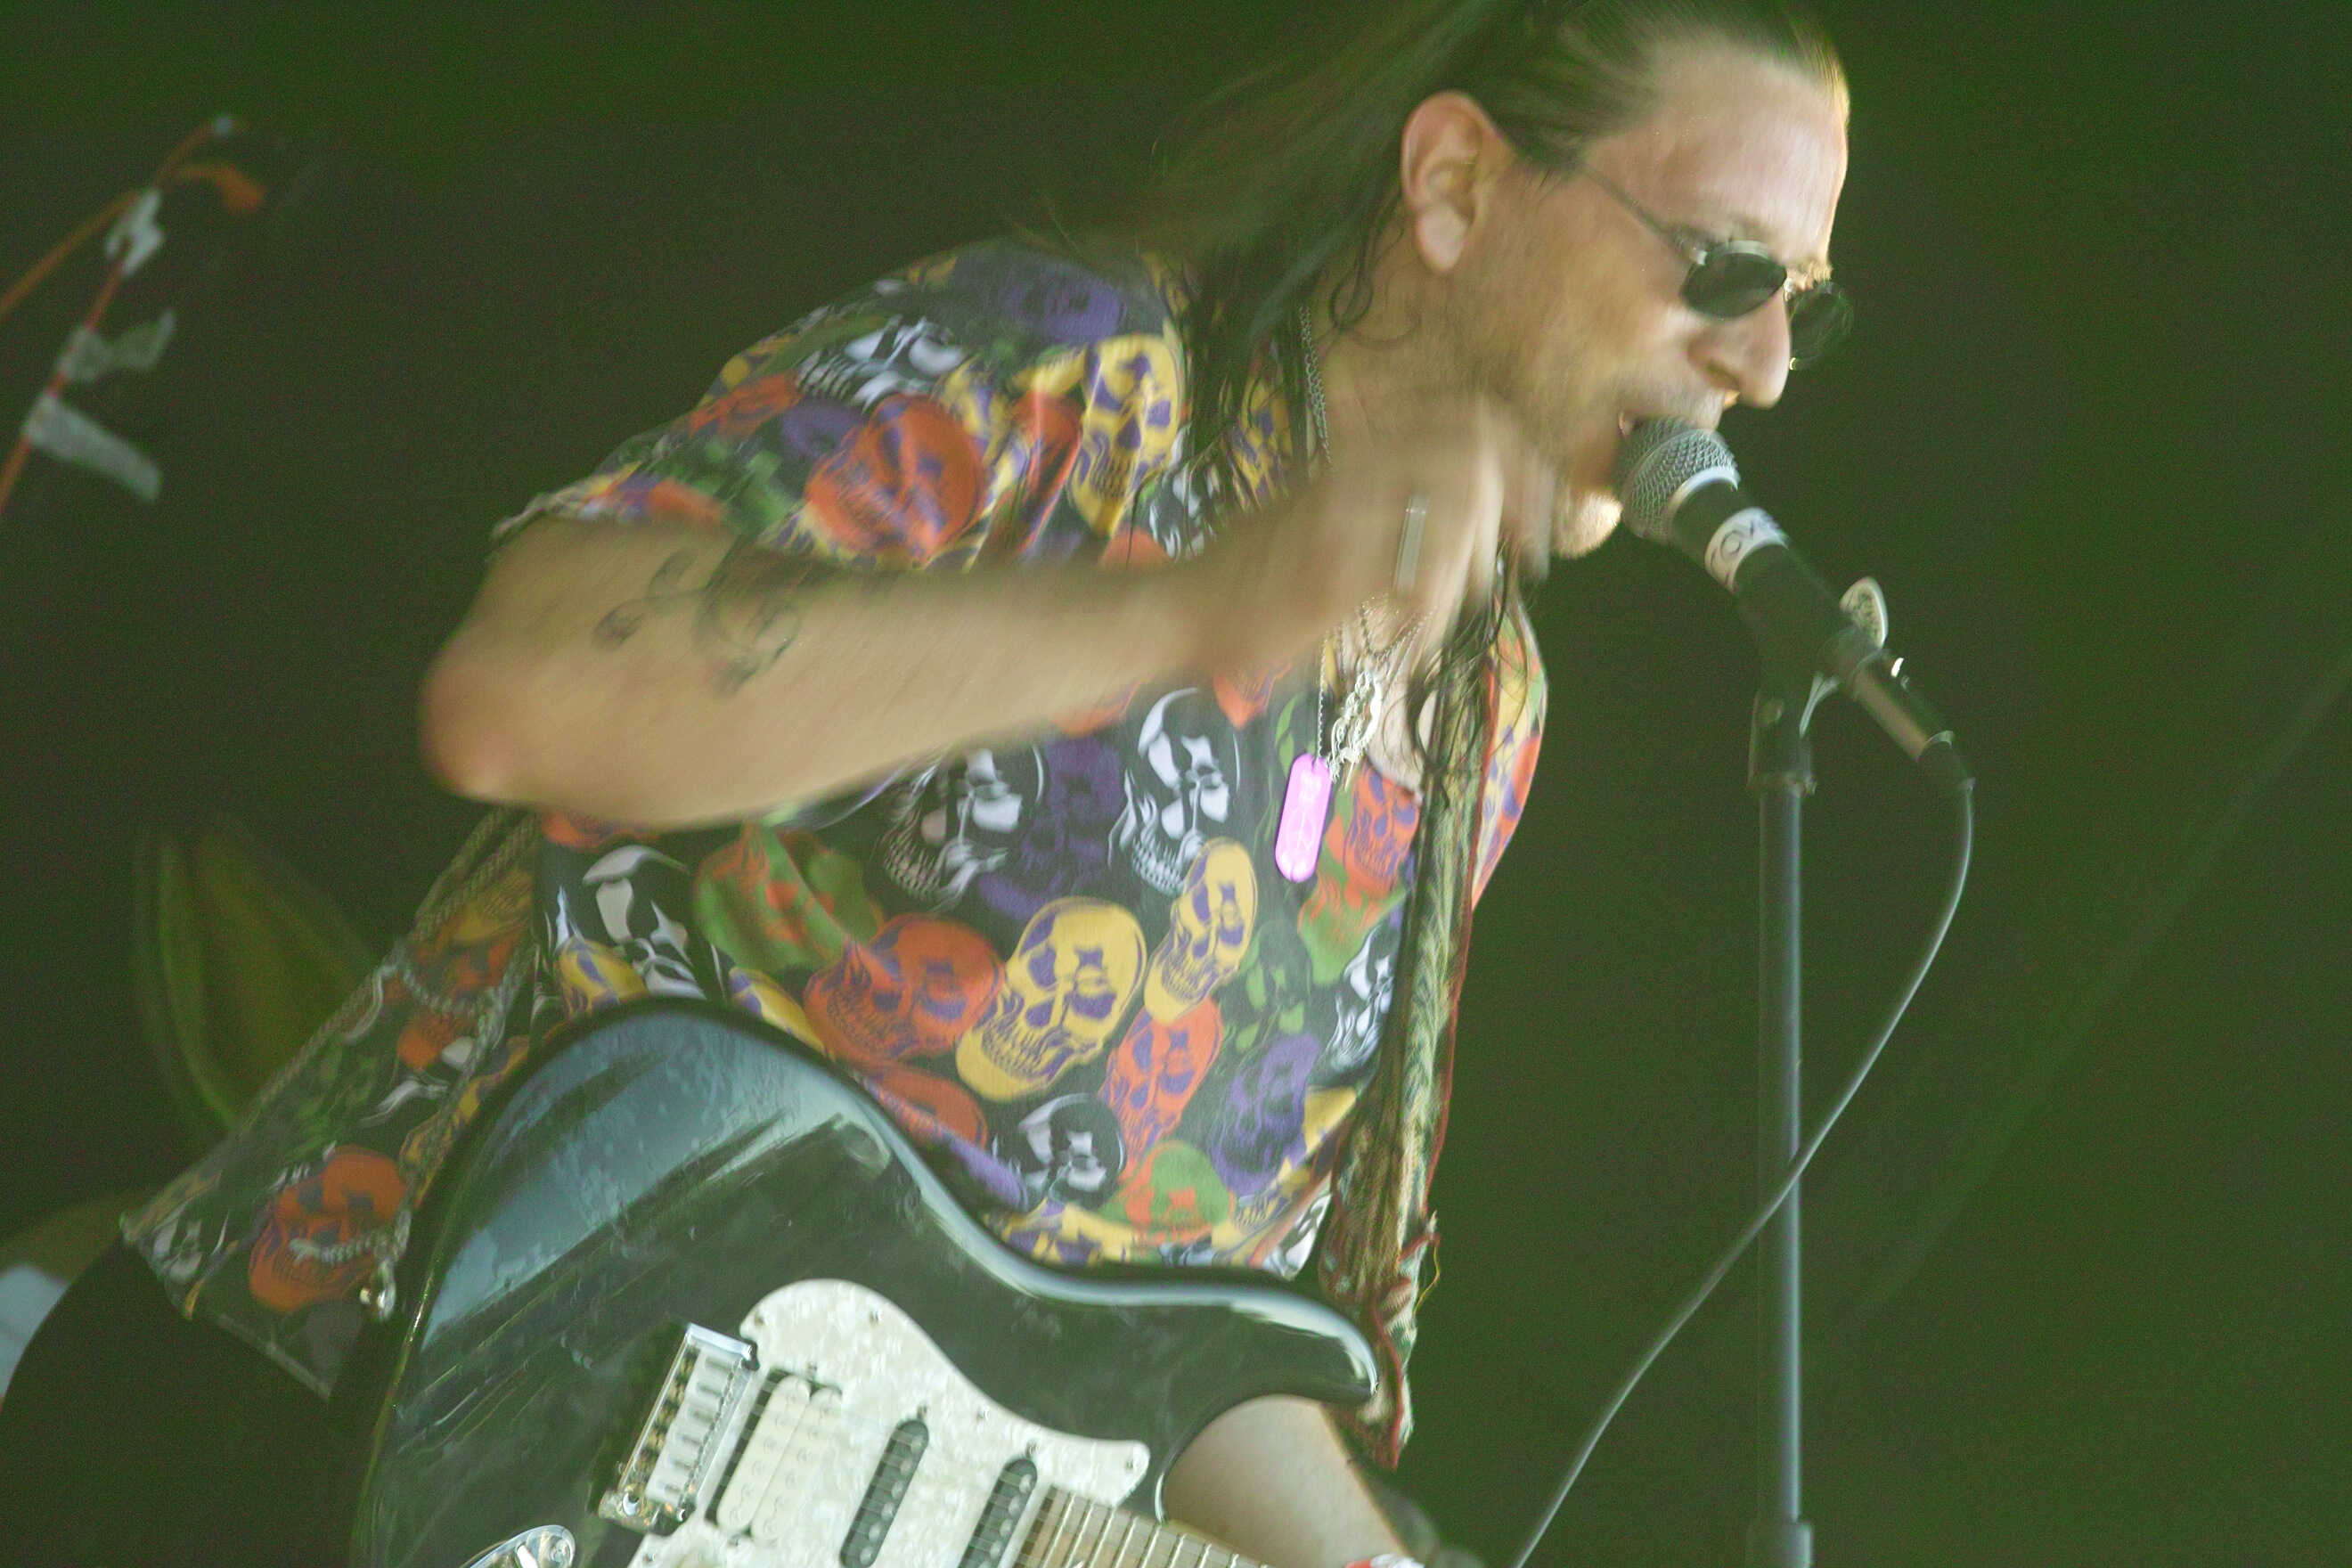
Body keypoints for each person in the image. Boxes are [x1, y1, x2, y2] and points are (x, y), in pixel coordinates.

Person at [0, 1, 1852, 1563]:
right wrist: (1190, 610)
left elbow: (1186, 1348)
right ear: (1453, 184)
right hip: (318, 1421)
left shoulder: (1482, 715)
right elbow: (524, 687)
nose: (1767, 365)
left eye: (1807, 309)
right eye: (1725, 268)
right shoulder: (1083, 375)